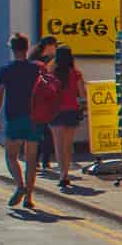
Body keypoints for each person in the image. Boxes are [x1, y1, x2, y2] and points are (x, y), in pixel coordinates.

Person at [0, 33, 46, 214]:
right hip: (34, 117)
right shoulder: (37, 68)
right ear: (27, 47)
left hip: (14, 116)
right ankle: (29, 198)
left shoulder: (6, 70)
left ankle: (20, 185)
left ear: (12, 48)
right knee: (31, 160)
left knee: (11, 156)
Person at [37, 42, 88, 193]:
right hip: (72, 111)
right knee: (68, 145)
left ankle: (62, 175)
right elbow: (83, 95)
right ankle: (66, 172)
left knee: (58, 146)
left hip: (56, 111)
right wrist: (83, 107)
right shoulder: (76, 74)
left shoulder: (52, 74)